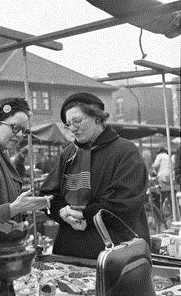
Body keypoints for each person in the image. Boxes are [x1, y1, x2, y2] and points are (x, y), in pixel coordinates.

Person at [40, 92, 150, 259]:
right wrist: (62, 212)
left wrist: (85, 215)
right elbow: (49, 195)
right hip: (69, 251)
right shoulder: (68, 153)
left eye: (77, 121)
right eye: (68, 124)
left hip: (114, 252)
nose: (73, 128)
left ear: (97, 118)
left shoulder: (125, 151)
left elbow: (125, 201)